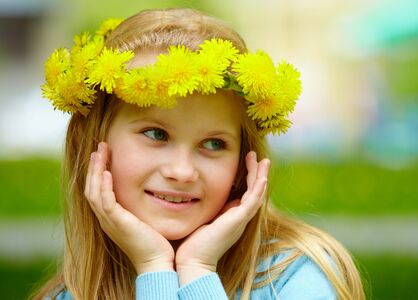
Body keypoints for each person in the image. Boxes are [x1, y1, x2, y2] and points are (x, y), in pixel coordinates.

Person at [33, 8, 365, 300]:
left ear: (242, 165)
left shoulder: (296, 278)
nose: (182, 171)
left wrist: (197, 270)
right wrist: (155, 268)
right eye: (156, 134)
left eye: (213, 144)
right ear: (94, 144)